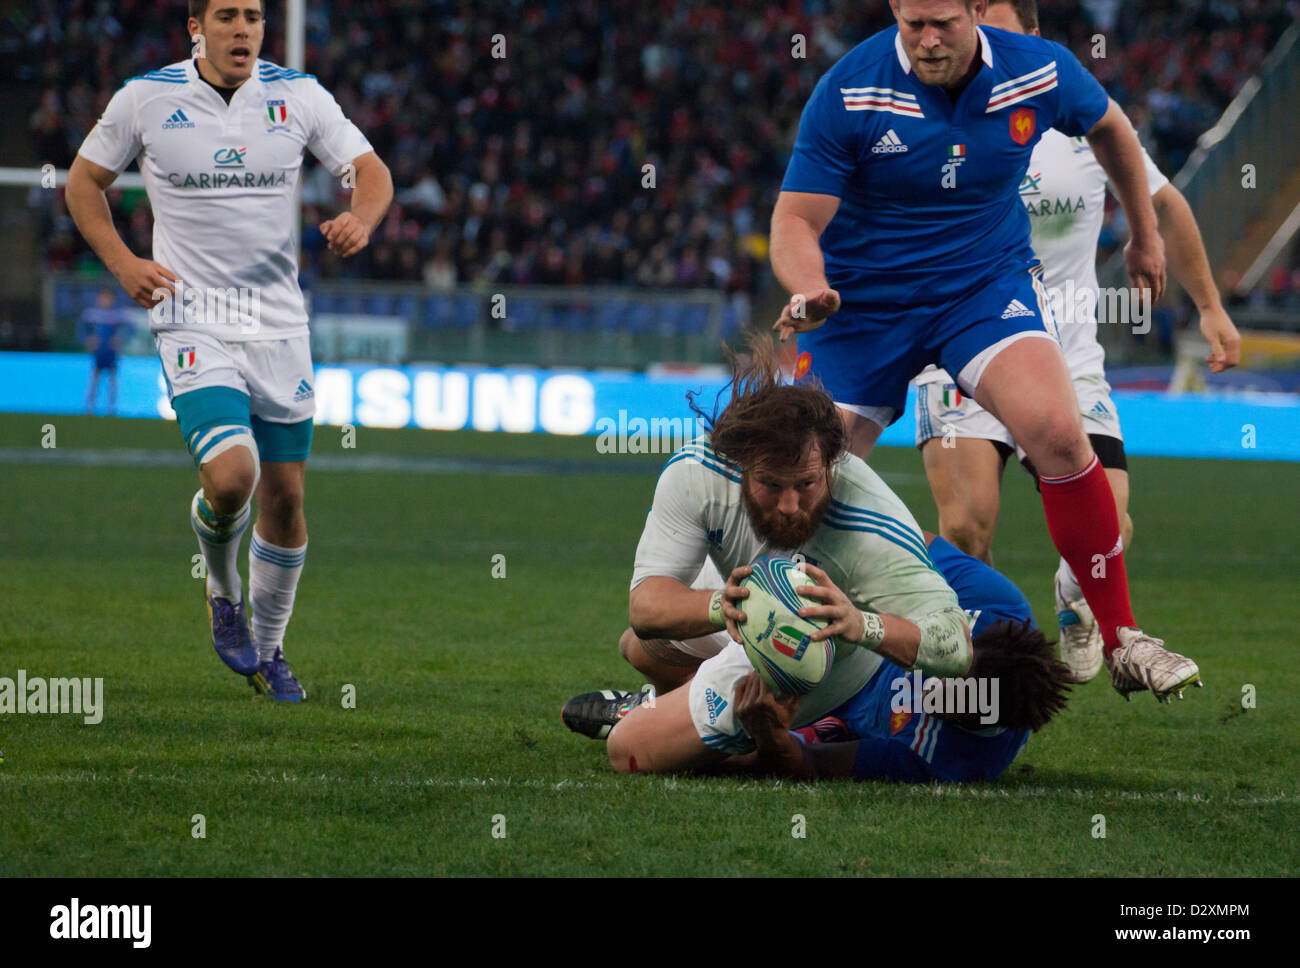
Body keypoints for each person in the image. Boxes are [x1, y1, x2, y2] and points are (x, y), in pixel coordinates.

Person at [769, 0, 1203, 700]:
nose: (928, 40)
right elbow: (794, 218)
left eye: (943, 21)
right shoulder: (850, 89)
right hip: (862, 305)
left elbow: (1113, 131)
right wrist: (810, 286)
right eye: (913, 25)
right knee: (800, 481)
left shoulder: (1040, 71)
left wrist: (1145, 232)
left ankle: (1124, 638)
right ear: (893, 14)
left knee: (1061, 434)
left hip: (980, 289)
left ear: (976, 10)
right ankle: (722, 652)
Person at [65, 0, 393, 700]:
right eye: (226, 16)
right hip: (192, 319)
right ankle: (222, 589)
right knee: (231, 478)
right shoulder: (145, 99)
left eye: (253, 16)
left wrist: (361, 220)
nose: (242, 28)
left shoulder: (298, 95)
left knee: (287, 498)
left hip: (280, 326)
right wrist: (124, 265)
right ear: (196, 28)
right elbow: (82, 182)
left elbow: (371, 171)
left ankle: (270, 651)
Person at [913, 0, 1241, 685]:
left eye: (1000, 29)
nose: (985, 44)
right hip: (958, 349)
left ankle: (1074, 596)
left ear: (1033, 37)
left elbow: (1166, 204)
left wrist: (1209, 307)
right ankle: (995, 675)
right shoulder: (933, 120)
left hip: (1063, 357)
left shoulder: (1075, 119)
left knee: (1110, 529)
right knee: (968, 526)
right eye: (976, 30)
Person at [561, 335, 984, 773]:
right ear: (738, 464)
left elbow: (956, 646)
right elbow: (645, 607)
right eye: (771, 485)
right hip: (751, 599)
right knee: (641, 648)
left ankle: (761, 738)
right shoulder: (697, 472)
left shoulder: (873, 524)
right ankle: (690, 715)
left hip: (824, 654)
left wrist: (862, 624)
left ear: (831, 463)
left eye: (806, 484)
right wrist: (719, 606)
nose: (789, 505)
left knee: (629, 751)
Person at [565, 526, 1072, 783]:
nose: (928, 683)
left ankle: (666, 710)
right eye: (940, 671)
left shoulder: (951, 760)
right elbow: (899, 541)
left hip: (812, 702)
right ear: (971, 643)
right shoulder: (994, 602)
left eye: (945, 699)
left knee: (630, 752)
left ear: (979, 718)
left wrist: (761, 731)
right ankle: (677, 699)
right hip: (831, 622)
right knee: (642, 643)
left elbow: (803, 764)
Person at [79, 287, 135, 414]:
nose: (105, 301)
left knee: (112, 380)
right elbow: (81, 330)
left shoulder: (117, 314)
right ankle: (90, 406)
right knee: (95, 378)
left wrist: (120, 338)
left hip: (111, 352)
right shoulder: (92, 313)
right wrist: (88, 340)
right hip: (99, 352)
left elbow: (131, 329)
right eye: (103, 298)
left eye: (108, 298)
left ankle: (112, 408)